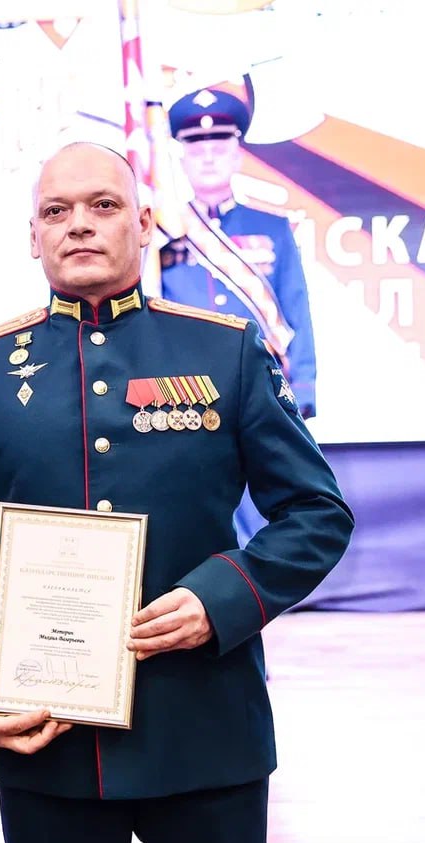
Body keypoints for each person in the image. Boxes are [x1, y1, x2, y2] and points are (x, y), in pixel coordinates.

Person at [0, 142, 353, 843]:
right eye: (56, 211)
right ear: (33, 237)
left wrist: (221, 597)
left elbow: (317, 512)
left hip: (205, 734)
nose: (78, 224)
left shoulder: (224, 352)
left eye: (104, 205)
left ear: (145, 222)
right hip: (48, 742)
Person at [161, 88, 320, 544]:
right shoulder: (162, 233)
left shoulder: (272, 227)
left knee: (265, 498)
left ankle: (258, 580)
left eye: (219, 146)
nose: (208, 157)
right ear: (182, 157)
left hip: (257, 384)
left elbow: (296, 307)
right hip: (185, 389)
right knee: (196, 503)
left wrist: (304, 385)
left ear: (237, 154)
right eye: (196, 147)